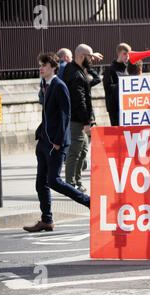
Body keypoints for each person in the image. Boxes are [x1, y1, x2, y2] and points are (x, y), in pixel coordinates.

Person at [23, 53, 90, 232]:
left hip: (56, 143)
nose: (40, 68)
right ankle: (47, 220)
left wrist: (58, 142)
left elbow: (65, 114)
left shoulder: (59, 86)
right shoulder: (44, 85)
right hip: (44, 141)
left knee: (54, 181)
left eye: (43, 65)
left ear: (53, 66)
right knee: (41, 183)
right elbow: (47, 111)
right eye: (39, 65)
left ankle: (90, 202)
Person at [61, 44, 102, 193]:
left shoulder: (75, 69)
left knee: (83, 150)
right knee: (75, 151)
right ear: (80, 57)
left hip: (78, 119)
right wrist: (87, 122)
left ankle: (76, 182)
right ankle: (71, 184)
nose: (91, 60)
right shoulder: (76, 75)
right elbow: (80, 101)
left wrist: (90, 58)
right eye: (89, 57)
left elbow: (90, 73)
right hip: (76, 120)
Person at [103, 42, 131, 126]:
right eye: (124, 54)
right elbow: (108, 88)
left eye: (128, 54)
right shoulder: (110, 69)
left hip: (125, 105)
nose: (127, 56)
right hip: (115, 108)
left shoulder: (127, 69)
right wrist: (123, 85)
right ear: (118, 54)